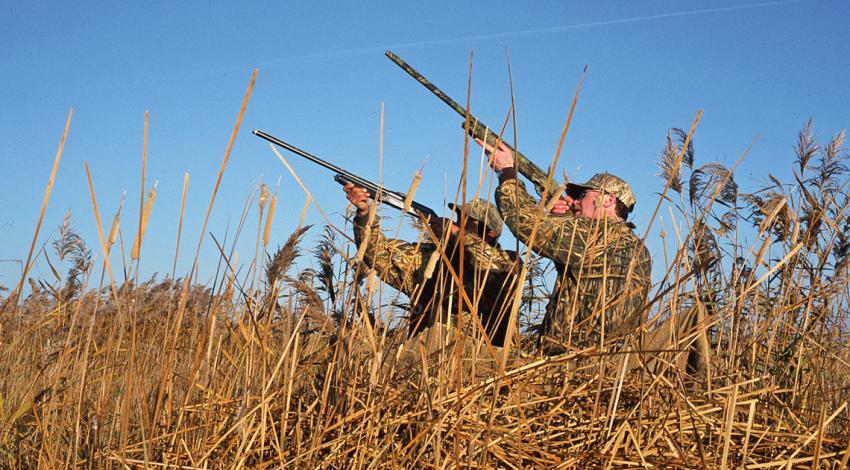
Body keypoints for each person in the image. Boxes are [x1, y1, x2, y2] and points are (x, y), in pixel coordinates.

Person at [478, 139, 652, 353]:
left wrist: (506, 172)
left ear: (608, 200)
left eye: (583, 195)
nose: (575, 200)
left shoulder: (593, 234)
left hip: (569, 366)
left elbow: (524, 221)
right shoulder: (637, 247)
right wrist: (563, 217)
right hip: (611, 366)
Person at [343, 183, 520, 347]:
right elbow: (377, 255)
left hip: (480, 365)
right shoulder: (430, 258)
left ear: (489, 234)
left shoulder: (508, 262)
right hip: (425, 361)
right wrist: (365, 214)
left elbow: (492, 263)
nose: (458, 222)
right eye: (459, 217)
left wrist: (455, 234)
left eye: (468, 220)